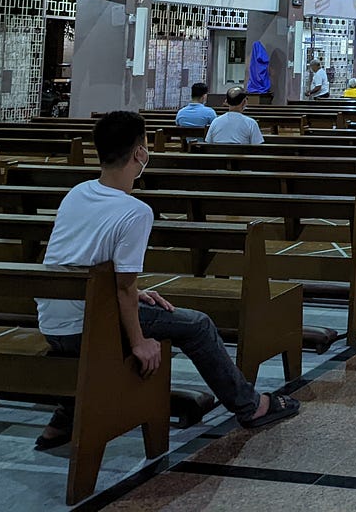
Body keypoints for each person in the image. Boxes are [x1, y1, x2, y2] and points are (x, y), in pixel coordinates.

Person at [34, 111, 298, 450]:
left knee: (155, 309)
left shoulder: (78, 192)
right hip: (87, 325)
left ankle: (64, 419)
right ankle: (251, 406)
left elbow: (83, 266)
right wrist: (139, 341)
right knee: (198, 325)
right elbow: (123, 287)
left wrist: (137, 293)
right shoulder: (135, 211)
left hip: (53, 320)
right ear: (140, 153)